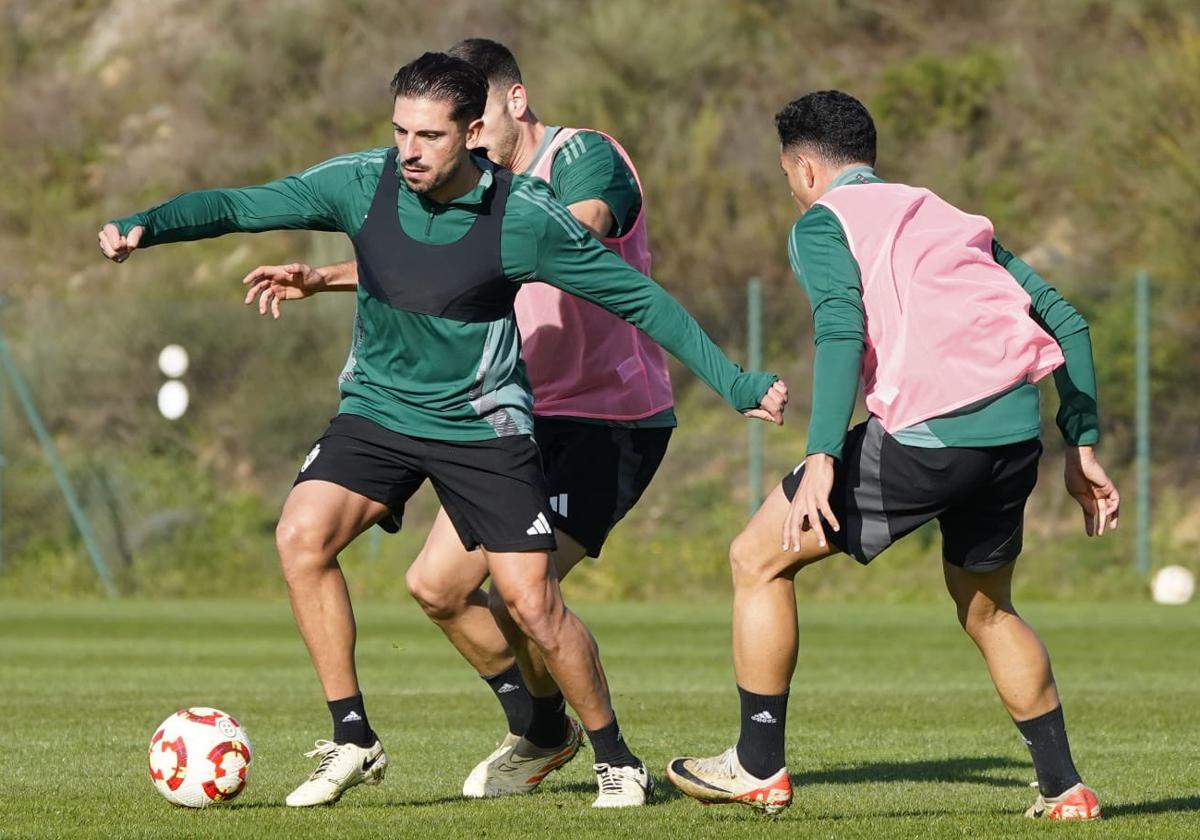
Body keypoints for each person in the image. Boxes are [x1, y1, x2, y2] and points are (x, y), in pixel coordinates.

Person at [98, 52, 786, 809]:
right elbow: (240, 205)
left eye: (429, 135)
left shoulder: (522, 216)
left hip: (482, 428)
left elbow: (639, 300)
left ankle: (614, 757)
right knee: (302, 537)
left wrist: (736, 382)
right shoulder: (363, 183)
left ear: (473, 132)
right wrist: (145, 225)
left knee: (531, 601)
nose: (410, 151)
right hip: (379, 411)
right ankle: (354, 736)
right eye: (400, 132)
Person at [242, 37, 680, 799]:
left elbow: (561, 235)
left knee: (527, 598)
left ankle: (616, 757)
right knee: (437, 587)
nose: (460, 138)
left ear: (509, 103)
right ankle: (544, 731)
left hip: (604, 419)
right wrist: (329, 277)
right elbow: (438, 264)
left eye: (470, 121)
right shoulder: (460, 182)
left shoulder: (583, 159)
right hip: (513, 413)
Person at [666, 90, 1117, 821]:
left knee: (756, 559)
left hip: (929, 436)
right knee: (990, 610)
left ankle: (756, 765)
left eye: (787, 174)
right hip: (1012, 437)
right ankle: (1066, 789)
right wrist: (1083, 444)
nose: (790, 187)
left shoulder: (823, 223)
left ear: (806, 168)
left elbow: (840, 331)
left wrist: (822, 455)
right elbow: (1065, 319)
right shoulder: (944, 213)